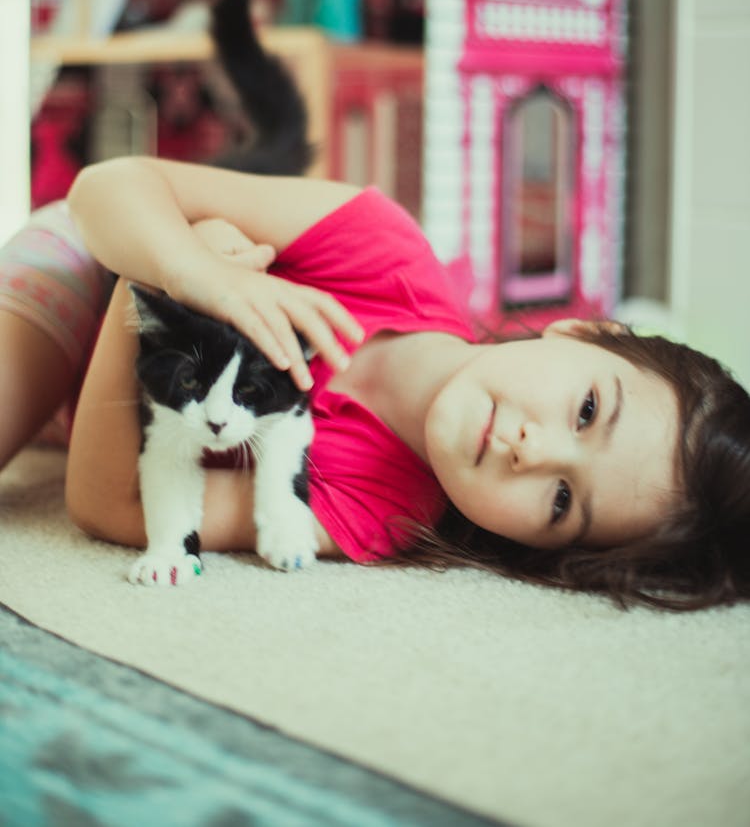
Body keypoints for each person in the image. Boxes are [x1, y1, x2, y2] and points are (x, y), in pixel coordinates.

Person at [1, 156, 749, 611]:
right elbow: (110, 187)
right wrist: (192, 271)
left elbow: (110, 502)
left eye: (561, 501)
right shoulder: (378, 246)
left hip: (118, 328)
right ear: (586, 331)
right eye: (586, 410)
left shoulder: (382, 511)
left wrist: (158, 289)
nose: (534, 449)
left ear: (539, 551)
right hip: (85, 262)